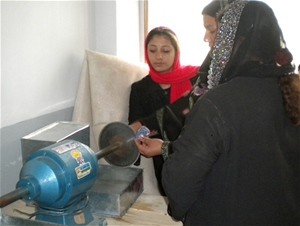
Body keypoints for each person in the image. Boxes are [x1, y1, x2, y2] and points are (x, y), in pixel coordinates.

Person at [137, 0, 300, 225]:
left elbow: (180, 183)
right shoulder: (292, 92)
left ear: (237, 41)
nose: (209, 39)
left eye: (217, 33)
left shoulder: (216, 104)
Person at [128, 26, 200, 195]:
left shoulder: (196, 78)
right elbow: (137, 129)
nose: (158, 57)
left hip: (198, 154)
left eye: (166, 50)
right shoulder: (140, 88)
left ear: (177, 52)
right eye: (152, 50)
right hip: (165, 163)